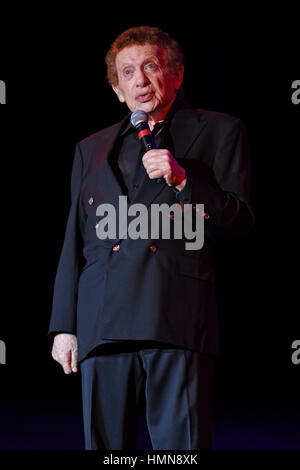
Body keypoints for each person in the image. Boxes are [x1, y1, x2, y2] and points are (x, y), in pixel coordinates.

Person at [49, 26, 254, 450]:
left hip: (175, 317)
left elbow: (240, 223)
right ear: (117, 89)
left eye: (150, 67)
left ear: (176, 75)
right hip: (101, 322)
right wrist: (64, 326)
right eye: (127, 73)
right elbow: (75, 240)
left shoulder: (220, 131)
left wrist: (185, 182)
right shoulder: (90, 148)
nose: (139, 80)